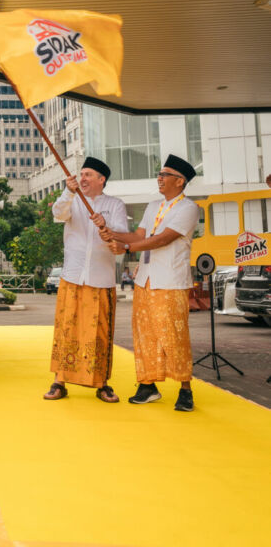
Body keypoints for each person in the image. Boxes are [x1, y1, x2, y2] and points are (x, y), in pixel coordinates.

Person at [101, 154, 200, 411]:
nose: (160, 178)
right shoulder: (153, 205)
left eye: (165, 174)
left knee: (174, 335)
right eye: (160, 173)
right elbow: (138, 235)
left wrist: (126, 247)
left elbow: (162, 239)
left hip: (171, 281)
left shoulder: (188, 208)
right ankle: (148, 385)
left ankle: (185, 389)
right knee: (144, 335)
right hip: (145, 279)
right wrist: (110, 230)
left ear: (180, 181)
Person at [44, 157, 128, 403]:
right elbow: (58, 214)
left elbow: (122, 236)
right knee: (66, 331)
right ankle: (59, 381)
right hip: (72, 276)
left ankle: (102, 384)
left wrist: (107, 224)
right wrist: (68, 192)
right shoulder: (72, 200)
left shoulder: (115, 204)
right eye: (81, 174)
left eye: (88, 175)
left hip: (100, 279)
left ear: (102, 180)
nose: (83, 179)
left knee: (99, 334)